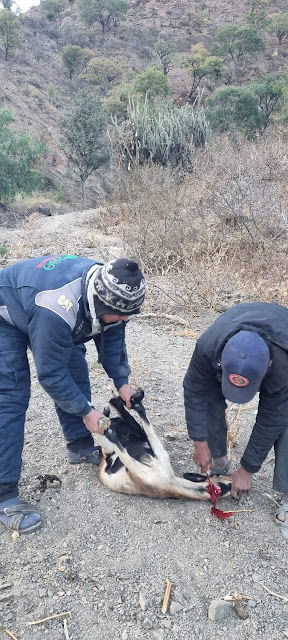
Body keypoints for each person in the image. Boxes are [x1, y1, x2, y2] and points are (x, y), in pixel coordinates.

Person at [0, 254, 145, 534]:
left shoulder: (114, 294)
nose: (125, 318)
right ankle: (4, 495)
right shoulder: (56, 308)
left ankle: (78, 446)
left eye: (130, 313)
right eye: (121, 313)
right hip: (7, 314)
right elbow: (51, 375)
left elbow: (113, 336)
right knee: (10, 396)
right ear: (100, 302)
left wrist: (122, 383)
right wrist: (86, 411)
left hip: (51, 315)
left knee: (76, 369)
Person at [183, 302, 288, 526]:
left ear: (268, 365)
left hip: (281, 335)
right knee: (209, 394)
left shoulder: (283, 364)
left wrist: (248, 469)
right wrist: (200, 443)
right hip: (234, 329)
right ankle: (219, 462)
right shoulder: (209, 346)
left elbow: (271, 418)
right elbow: (195, 390)